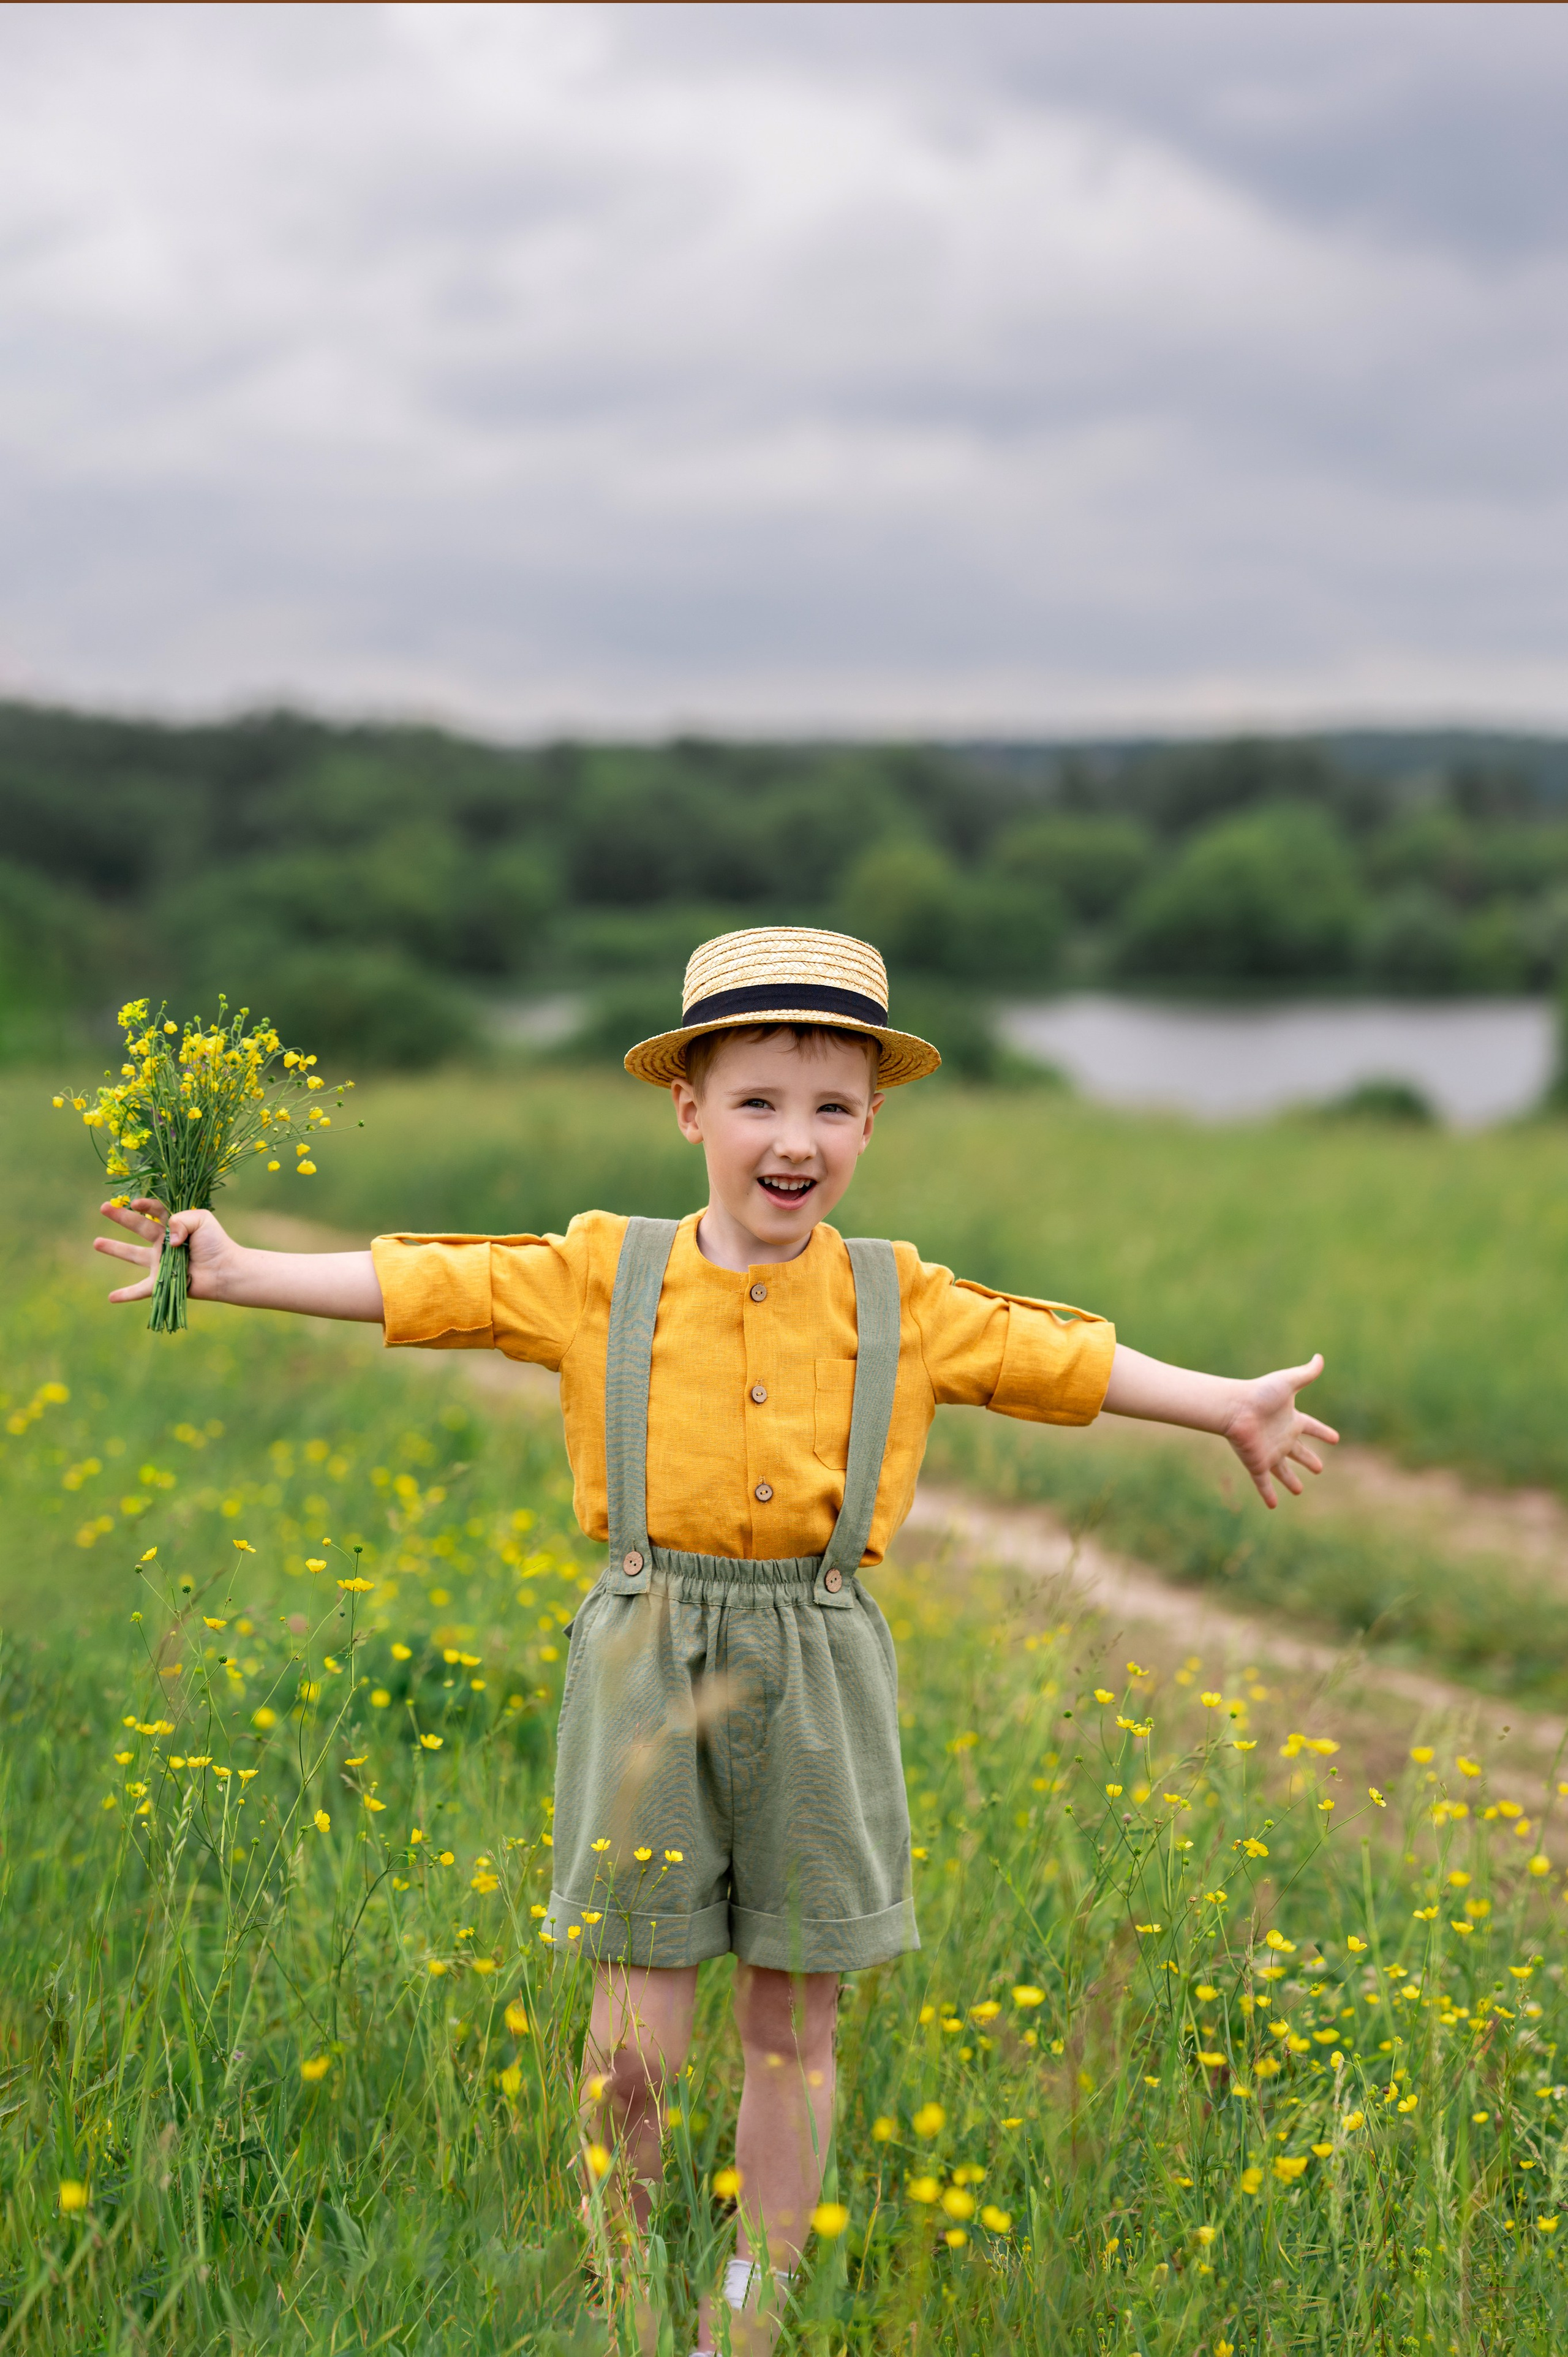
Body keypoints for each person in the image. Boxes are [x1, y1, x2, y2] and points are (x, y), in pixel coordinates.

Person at [92, 926, 1338, 2356]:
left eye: (830, 1108)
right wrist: (242, 1270)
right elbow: (432, 1282)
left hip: (821, 1662)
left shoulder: (903, 1297)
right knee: (634, 2017)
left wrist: (1225, 1401)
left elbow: (1061, 1355)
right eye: (757, 1100)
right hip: (645, 1649)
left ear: (871, 1121)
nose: (791, 1140)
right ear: (688, 1105)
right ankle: (620, 2290)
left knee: (794, 2017)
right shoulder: (599, 1272)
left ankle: (753, 2297)